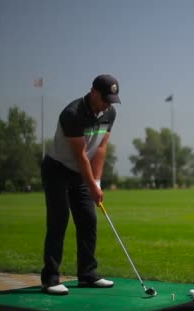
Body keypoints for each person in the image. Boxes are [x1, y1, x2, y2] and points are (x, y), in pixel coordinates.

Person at [40, 74, 120, 295]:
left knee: (88, 219)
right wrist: (92, 186)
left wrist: (97, 182)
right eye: (105, 98)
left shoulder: (109, 112)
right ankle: (50, 278)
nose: (107, 104)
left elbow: (101, 149)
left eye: (111, 100)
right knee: (59, 219)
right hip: (57, 169)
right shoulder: (72, 113)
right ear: (93, 92)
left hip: (80, 174)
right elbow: (80, 155)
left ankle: (87, 275)